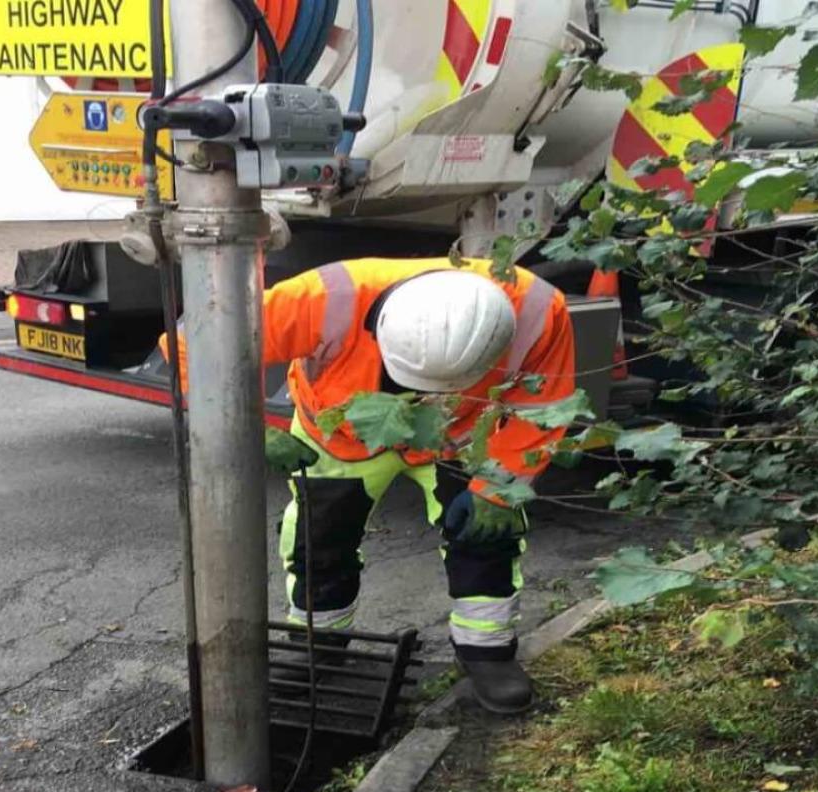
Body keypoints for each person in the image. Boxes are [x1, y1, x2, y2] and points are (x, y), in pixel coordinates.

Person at [164, 256, 575, 714]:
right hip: (340, 438)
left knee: (487, 535)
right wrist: (249, 428)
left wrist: (498, 488)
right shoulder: (319, 300)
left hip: (456, 437)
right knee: (317, 541)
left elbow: (545, 402)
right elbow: (188, 346)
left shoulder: (538, 308)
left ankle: (488, 652)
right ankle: (318, 646)